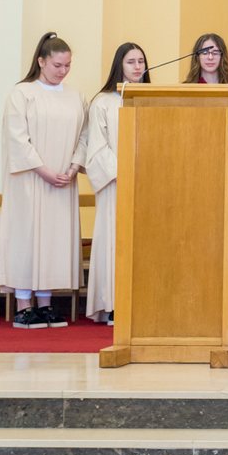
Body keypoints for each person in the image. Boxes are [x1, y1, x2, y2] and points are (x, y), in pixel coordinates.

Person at [0, 32, 86, 329]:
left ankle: (45, 304)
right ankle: (23, 305)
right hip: (30, 181)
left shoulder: (76, 96)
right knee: (27, 236)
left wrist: (73, 168)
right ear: (41, 61)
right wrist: (44, 171)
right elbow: (17, 139)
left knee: (54, 240)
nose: (63, 71)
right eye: (57, 65)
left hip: (62, 181)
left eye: (68, 65)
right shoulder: (22, 93)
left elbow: (85, 136)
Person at [82, 42, 149, 324]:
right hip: (116, 184)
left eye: (141, 61)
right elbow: (97, 146)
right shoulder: (103, 102)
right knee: (115, 242)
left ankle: (145, 302)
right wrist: (125, 171)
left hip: (148, 184)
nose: (137, 67)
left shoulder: (154, 98)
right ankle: (115, 304)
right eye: (131, 61)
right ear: (119, 65)